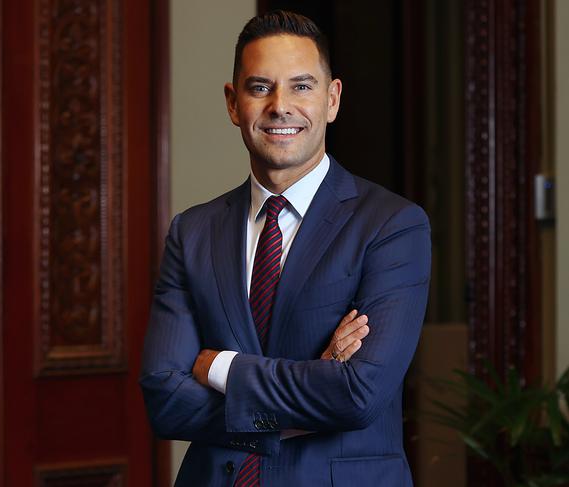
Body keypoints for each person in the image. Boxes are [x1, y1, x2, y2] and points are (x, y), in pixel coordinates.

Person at [140, 10, 430, 487]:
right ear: (234, 104)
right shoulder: (191, 231)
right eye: (260, 88)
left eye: (301, 86)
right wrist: (307, 393)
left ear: (332, 99)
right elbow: (164, 398)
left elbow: (358, 393)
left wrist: (219, 366)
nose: (280, 106)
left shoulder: (392, 226)